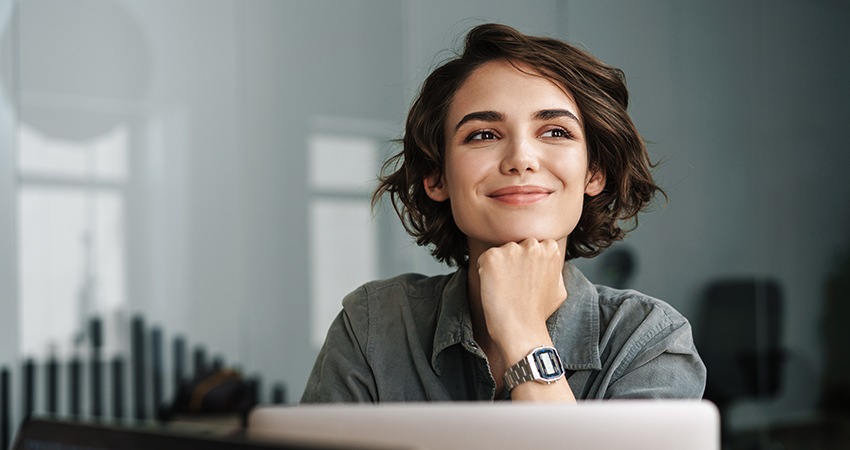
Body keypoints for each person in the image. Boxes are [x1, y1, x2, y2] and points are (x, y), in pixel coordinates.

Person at [301, 23, 705, 403]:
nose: (521, 159)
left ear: (593, 172)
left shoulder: (650, 341)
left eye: (555, 132)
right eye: (483, 135)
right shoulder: (372, 326)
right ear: (436, 176)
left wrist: (523, 332)